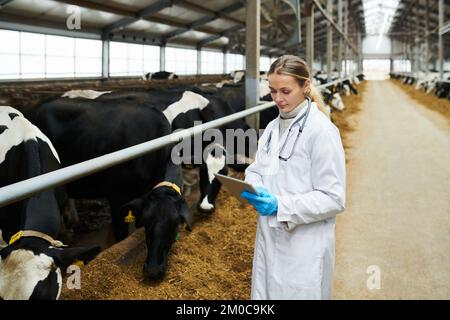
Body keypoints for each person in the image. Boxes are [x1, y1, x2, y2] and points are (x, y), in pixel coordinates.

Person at [241, 55, 346, 300]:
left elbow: (334, 198)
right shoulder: (271, 128)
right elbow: (257, 169)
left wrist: (281, 205)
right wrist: (255, 188)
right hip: (269, 235)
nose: (277, 99)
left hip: (304, 243)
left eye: (286, 91)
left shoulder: (321, 131)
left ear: (305, 86)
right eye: (273, 91)